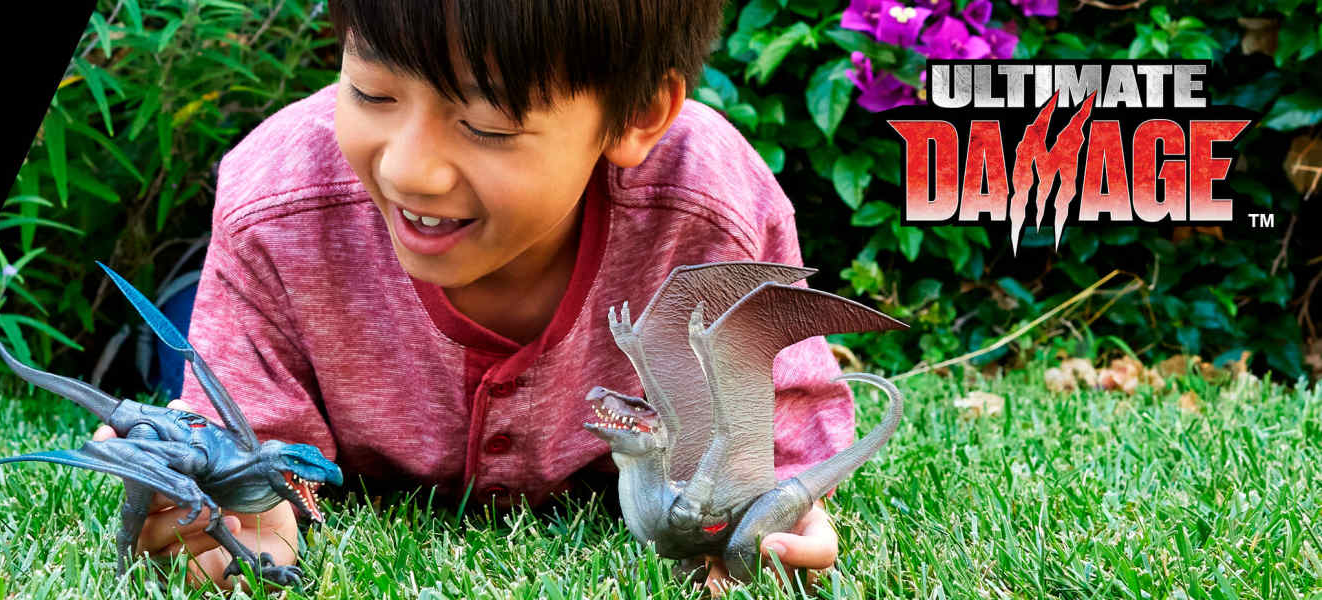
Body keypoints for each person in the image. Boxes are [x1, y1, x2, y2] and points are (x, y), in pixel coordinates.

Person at [96, 0, 852, 592]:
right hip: (277, 297)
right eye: (371, 92)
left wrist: (771, 514)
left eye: (488, 125)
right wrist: (246, 515)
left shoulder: (711, 208)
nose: (409, 170)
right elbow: (255, 453)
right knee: (179, 366)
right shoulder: (277, 204)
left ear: (637, 116)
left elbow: (774, 446)